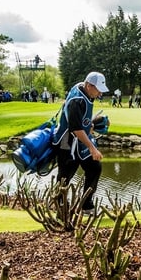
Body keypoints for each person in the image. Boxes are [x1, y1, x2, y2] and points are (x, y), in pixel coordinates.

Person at [51, 71, 110, 215]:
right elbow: (76, 129)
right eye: (98, 90)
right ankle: (60, 208)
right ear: (89, 85)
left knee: (94, 168)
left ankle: (86, 206)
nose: (100, 94)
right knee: (65, 176)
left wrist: (93, 124)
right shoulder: (77, 101)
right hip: (67, 143)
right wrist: (92, 148)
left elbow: (81, 121)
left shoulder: (84, 90)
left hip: (79, 142)